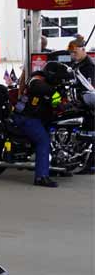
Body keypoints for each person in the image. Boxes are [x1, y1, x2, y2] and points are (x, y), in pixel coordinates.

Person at [10, 62, 69, 186]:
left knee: (53, 135)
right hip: (25, 117)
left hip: (37, 117)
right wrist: (55, 94)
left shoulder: (50, 84)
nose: (60, 82)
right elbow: (39, 87)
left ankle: (54, 167)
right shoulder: (36, 80)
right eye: (59, 79)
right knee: (43, 141)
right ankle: (41, 177)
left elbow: (54, 102)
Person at [68, 39, 95, 174]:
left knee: (89, 133)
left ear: (83, 49)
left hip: (89, 105)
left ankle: (90, 165)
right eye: (71, 53)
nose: (73, 55)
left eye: (75, 52)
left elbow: (89, 87)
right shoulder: (75, 64)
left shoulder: (89, 67)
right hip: (80, 103)